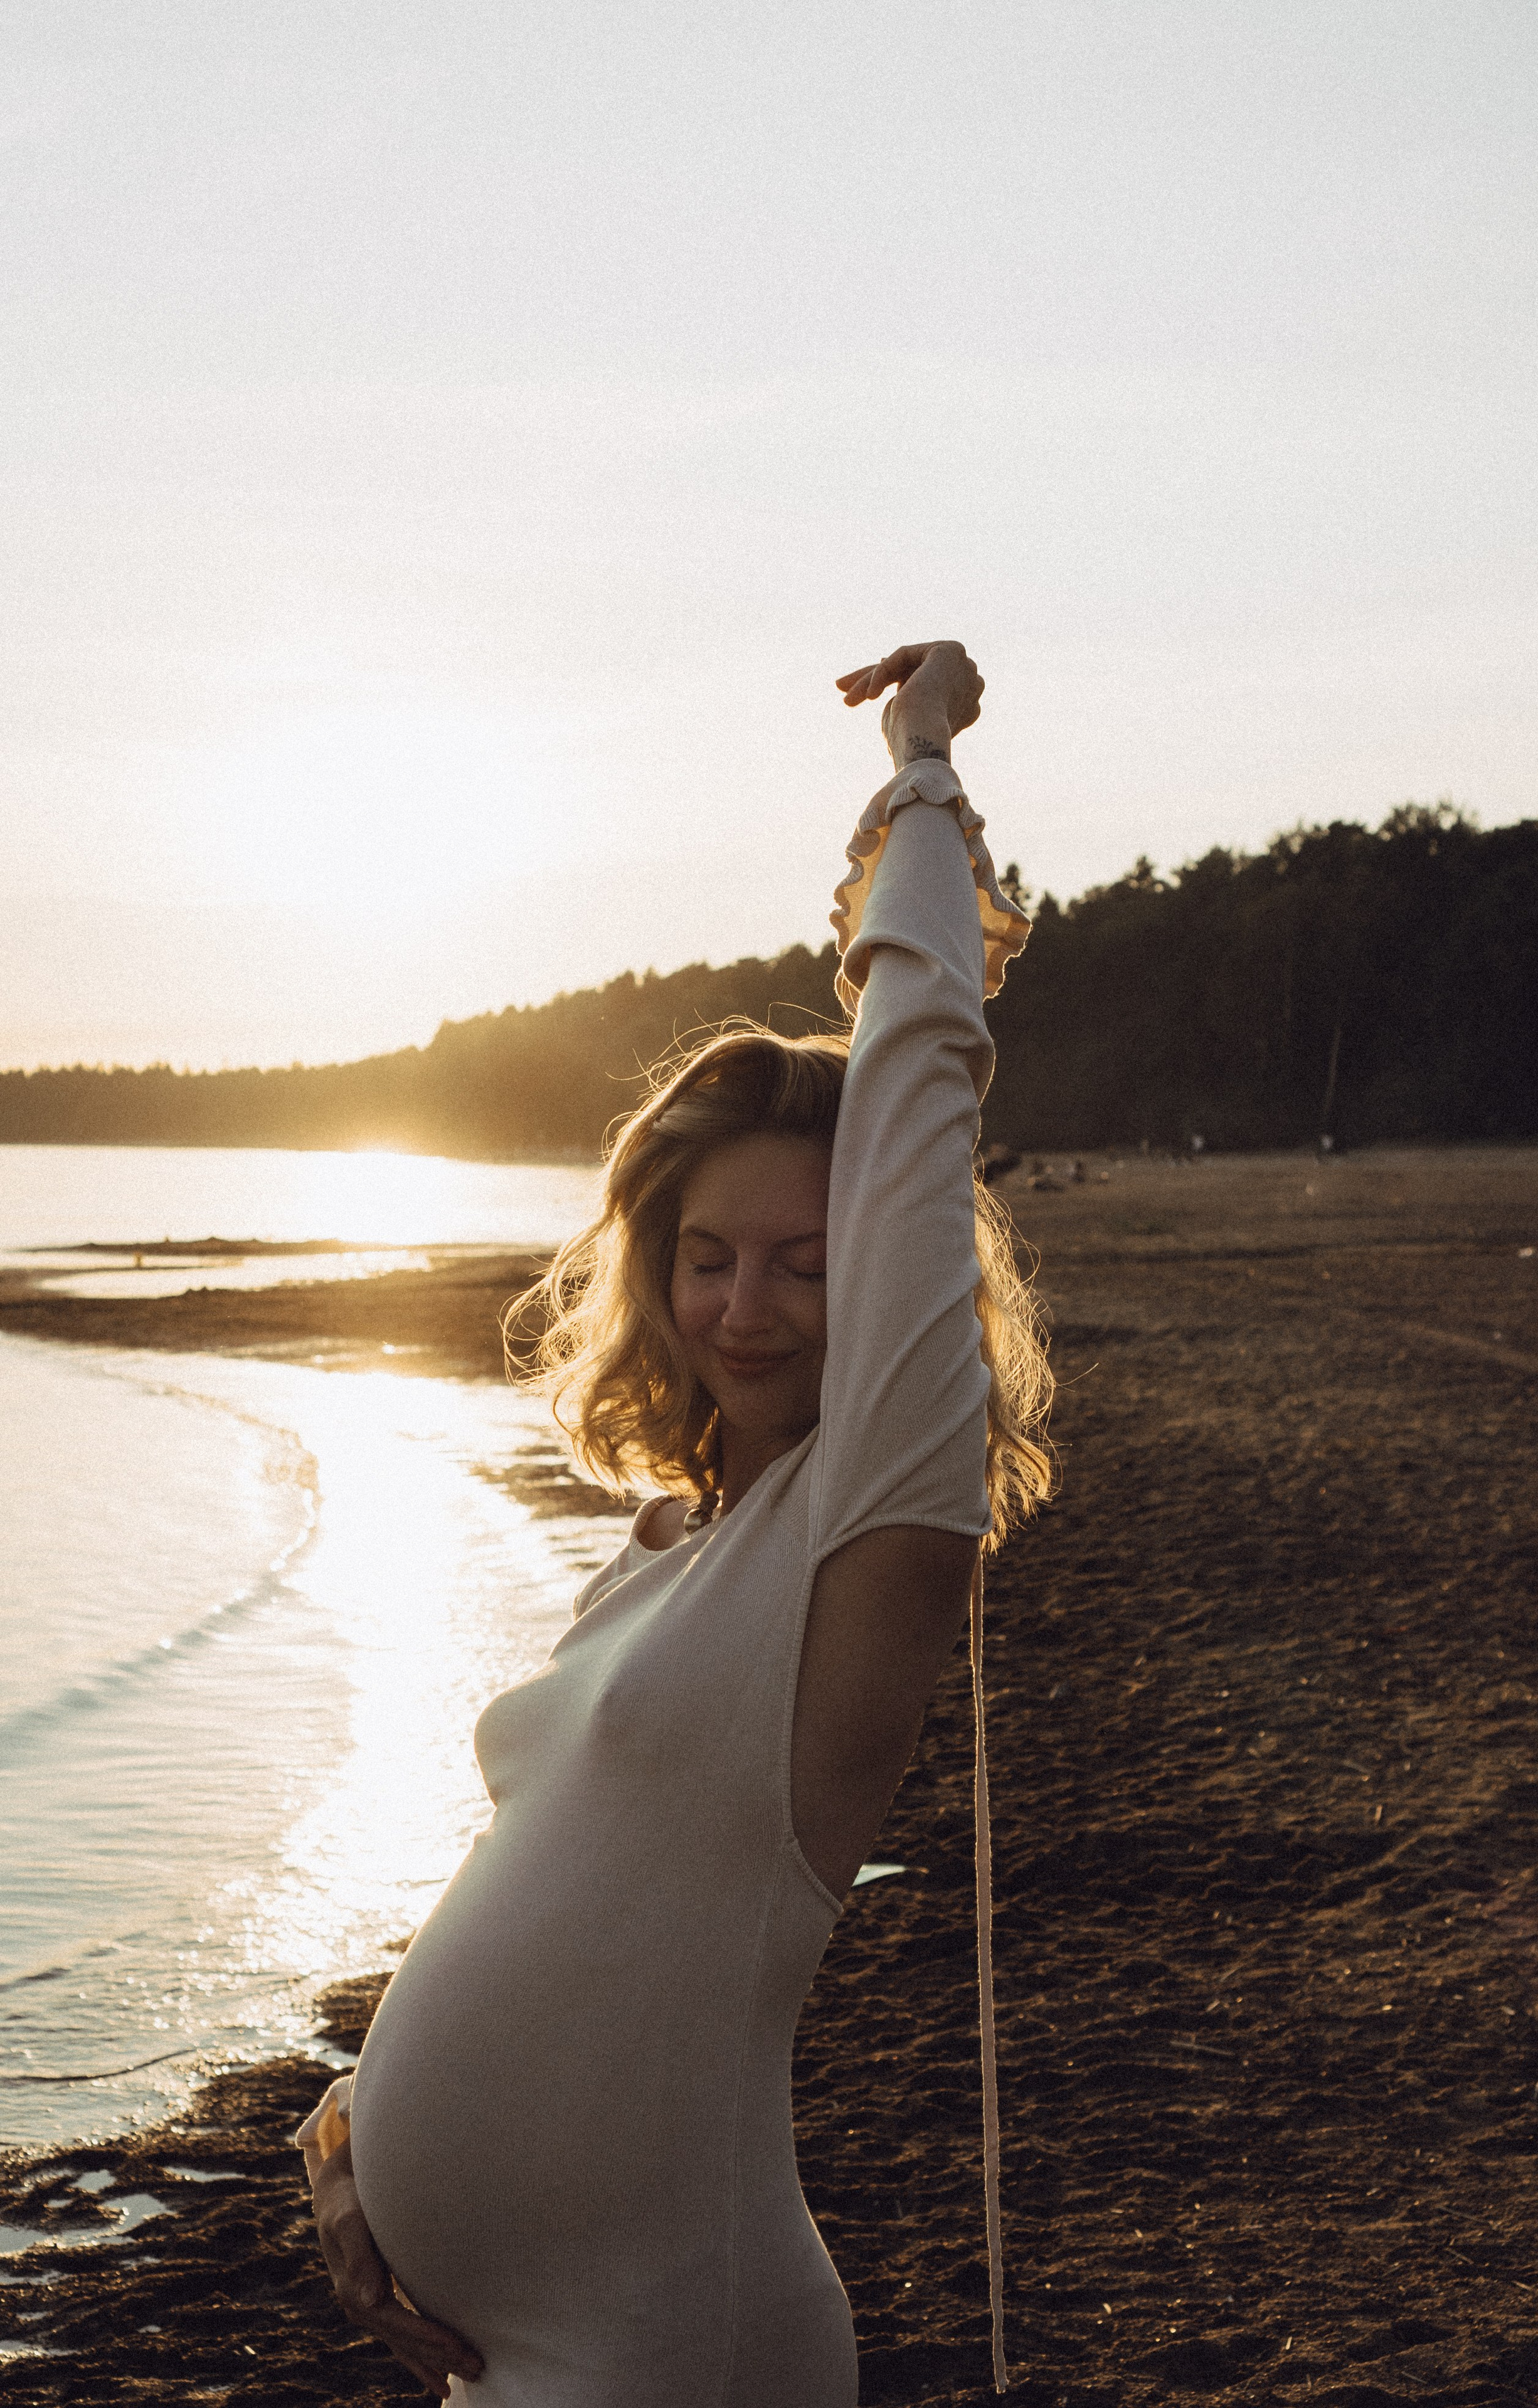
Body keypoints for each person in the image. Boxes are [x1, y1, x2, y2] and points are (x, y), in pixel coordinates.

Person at [297, 641, 1054, 2405]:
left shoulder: (866, 1517)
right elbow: (556, 1886)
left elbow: (926, 1070)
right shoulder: (667, 1550)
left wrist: (921, 765)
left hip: (672, 2340)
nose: (748, 1306)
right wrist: (354, 2141)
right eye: (706, 1258)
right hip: (504, 2350)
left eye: (806, 1261)